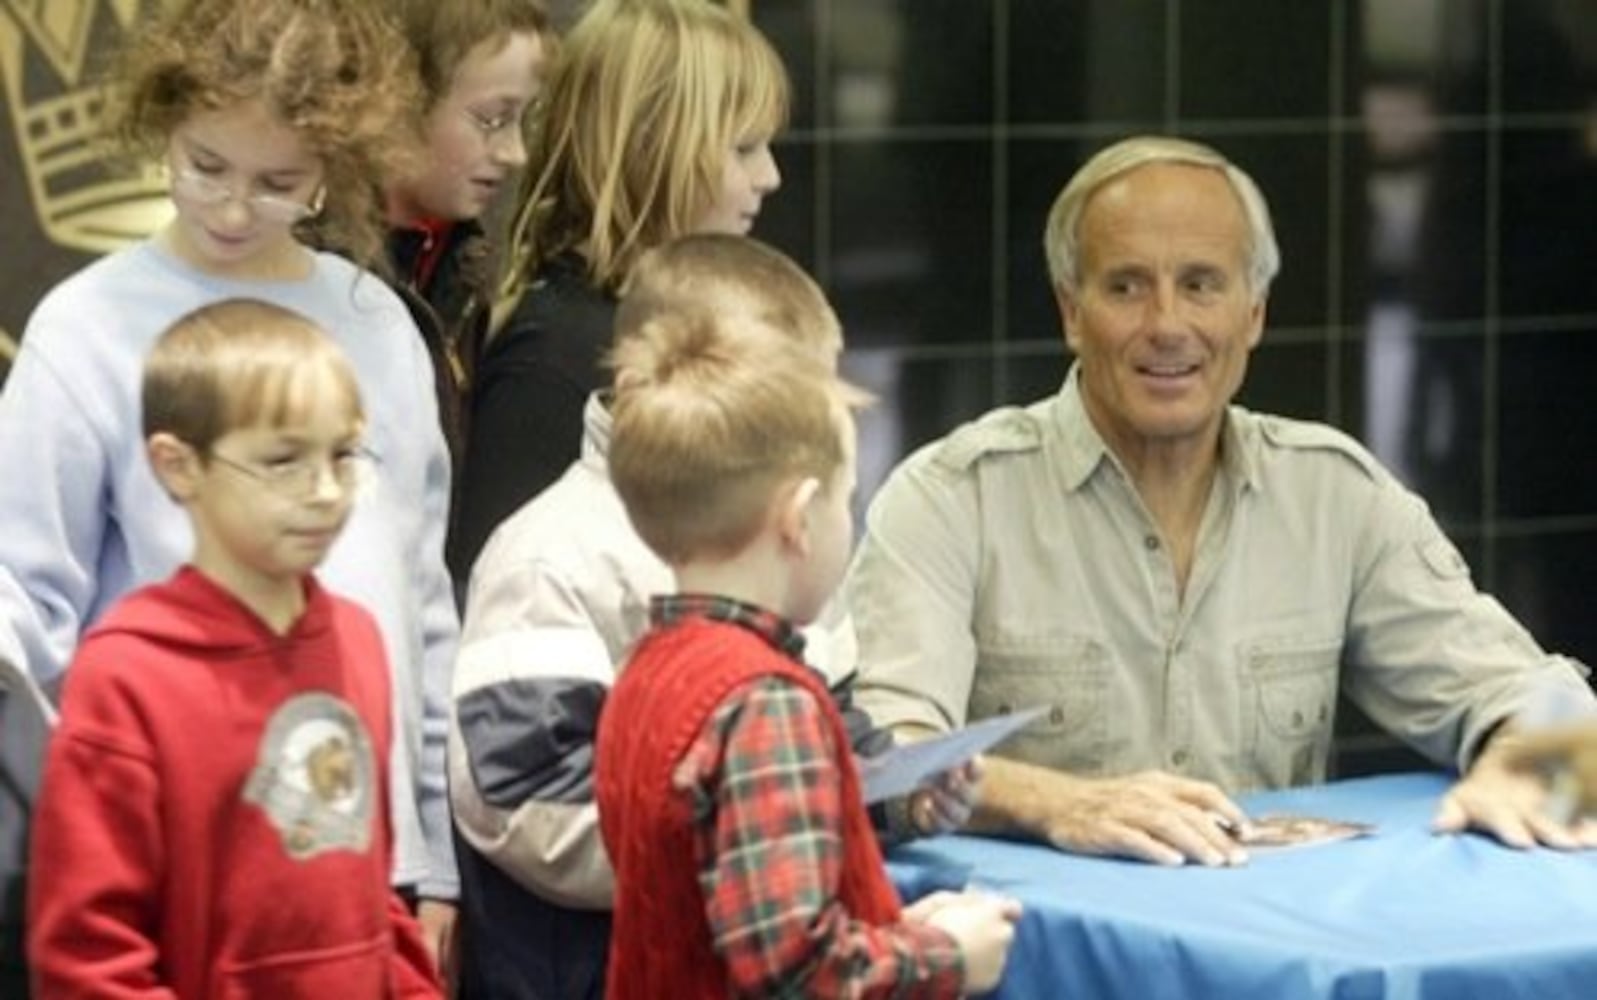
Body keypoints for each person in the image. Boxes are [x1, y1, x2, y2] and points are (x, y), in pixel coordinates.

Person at [844, 134, 1597, 868]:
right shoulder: (949, 499)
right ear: (1072, 312)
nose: (1167, 325)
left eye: (1201, 284)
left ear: (1254, 313)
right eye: (1126, 286)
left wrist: (1537, 778)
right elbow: (879, 764)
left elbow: (1545, 700)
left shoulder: (1333, 497)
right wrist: (1058, 804)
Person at [0, 0, 461, 970]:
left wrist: (435, 855)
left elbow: (419, 603)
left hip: (360, 849)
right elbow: (20, 607)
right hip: (178, 850)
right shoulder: (85, 327)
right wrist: (98, 808)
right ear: (163, 120)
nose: (233, 207)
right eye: (204, 164)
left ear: (331, 167)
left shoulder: (376, 323)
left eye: (278, 182)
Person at [448, 233, 978, 999]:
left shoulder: (762, 596)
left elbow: (833, 733)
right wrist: (753, 839)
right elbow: (520, 801)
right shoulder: (548, 553)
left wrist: (896, 792)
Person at [594, 274, 1020, 998]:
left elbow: (728, 902)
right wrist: (946, 953)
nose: (846, 524)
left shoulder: (649, 668)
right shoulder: (765, 703)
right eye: (846, 501)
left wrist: (898, 900)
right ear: (798, 516)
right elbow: (796, 967)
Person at [26, 300, 443, 998]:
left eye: (342, 455)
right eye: (282, 461)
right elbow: (88, 953)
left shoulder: (358, 641)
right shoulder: (127, 676)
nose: (325, 492)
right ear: (178, 465)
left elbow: (370, 900)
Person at [452, 0, 786, 576]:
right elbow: (497, 600)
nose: (770, 176)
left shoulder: (641, 328)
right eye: (743, 149)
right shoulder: (554, 361)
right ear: (651, 146)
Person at [383, 0, 550, 497]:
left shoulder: (461, 259)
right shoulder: (322, 270)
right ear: (399, 101)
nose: (516, 153)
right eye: (492, 120)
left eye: (524, 120)